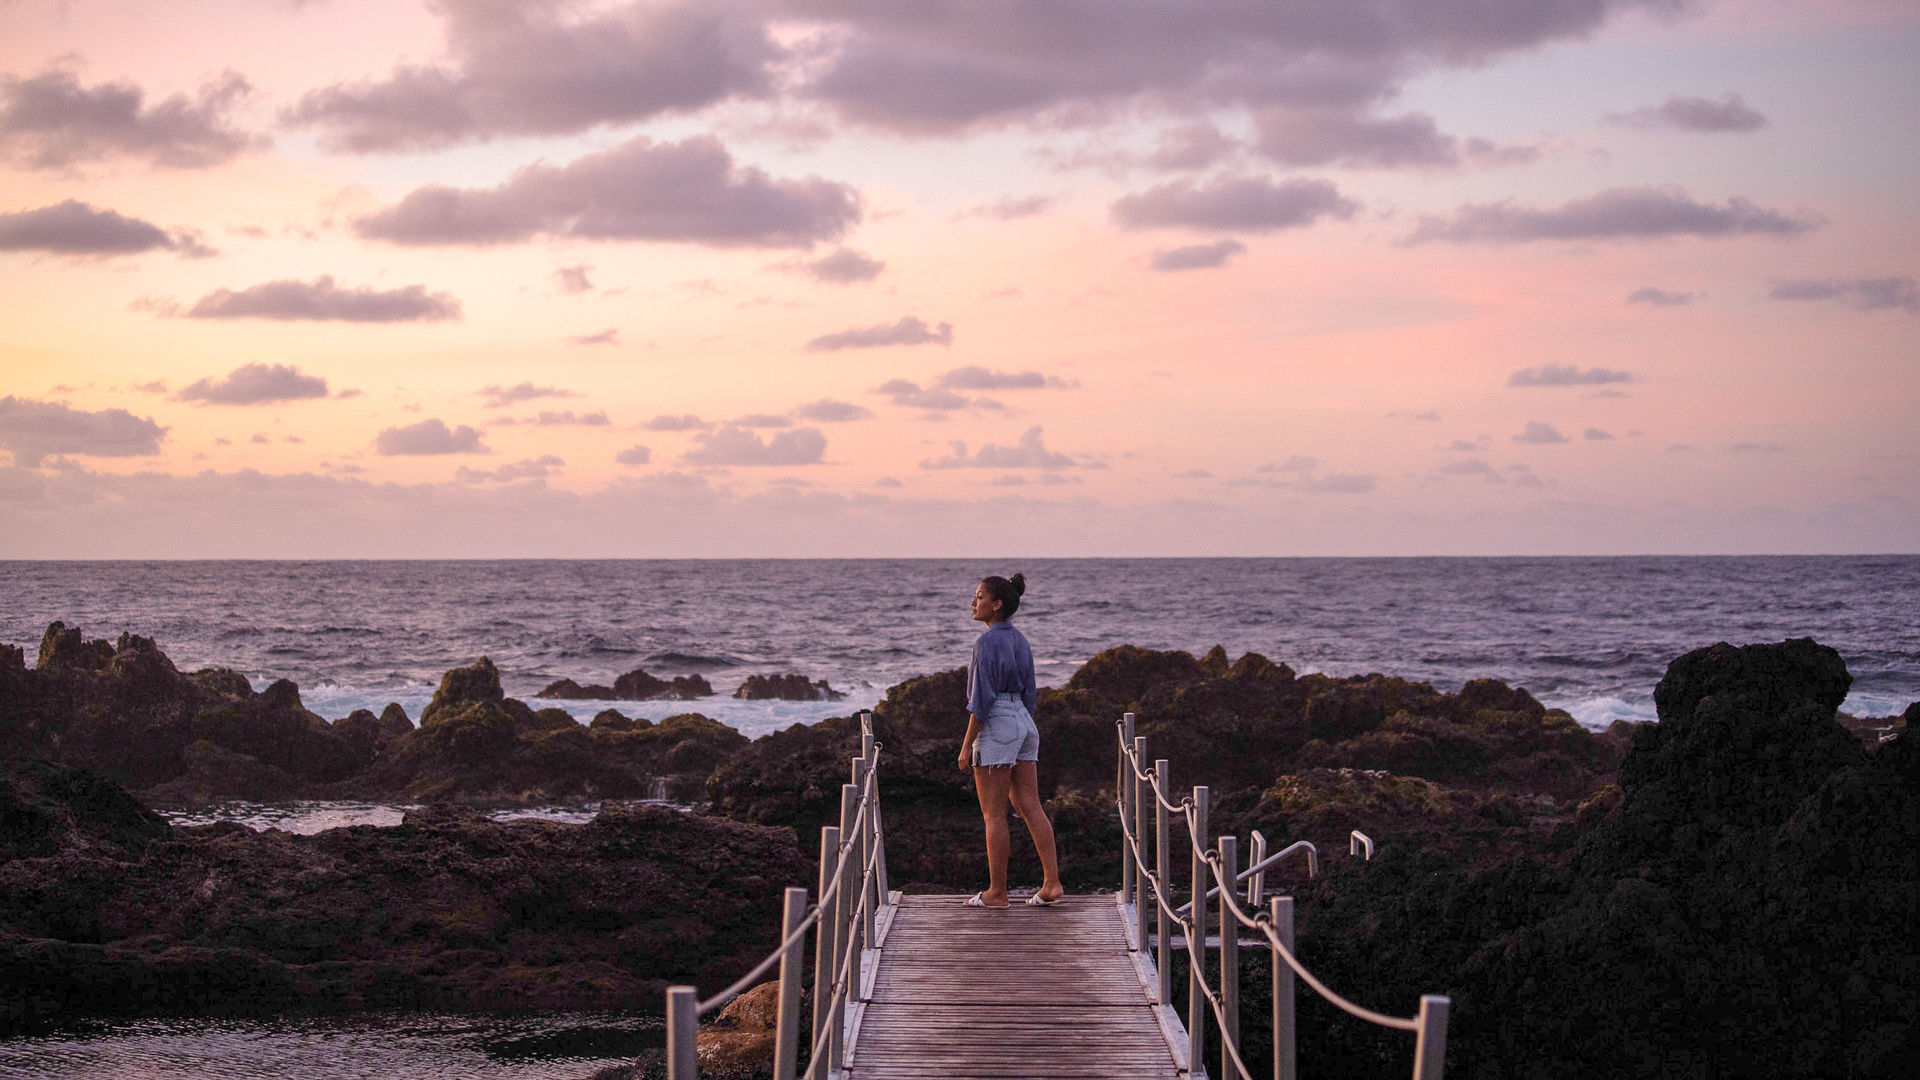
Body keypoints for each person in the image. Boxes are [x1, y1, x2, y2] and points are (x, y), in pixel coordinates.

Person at [958, 572, 1065, 908]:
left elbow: (981, 701)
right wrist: (1020, 721)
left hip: (998, 723)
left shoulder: (985, 642)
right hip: (1023, 720)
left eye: (979, 597)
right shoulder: (1020, 640)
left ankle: (997, 893)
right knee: (1030, 805)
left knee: (994, 815)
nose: (973, 603)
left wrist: (965, 748)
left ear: (997, 604)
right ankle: (1051, 884)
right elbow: (1030, 692)